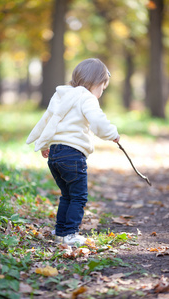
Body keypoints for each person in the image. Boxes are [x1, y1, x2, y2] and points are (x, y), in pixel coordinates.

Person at [26, 58, 120, 246]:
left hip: (55, 154)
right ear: (94, 82)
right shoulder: (86, 98)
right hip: (72, 155)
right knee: (78, 196)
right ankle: (70, 234)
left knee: (66, 195)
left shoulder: (61, 95)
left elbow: (48, 119)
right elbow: (98, 121)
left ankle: (61, 232)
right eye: (102, 87)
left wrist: (44, 143)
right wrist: (113, 134)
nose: (101, 93)